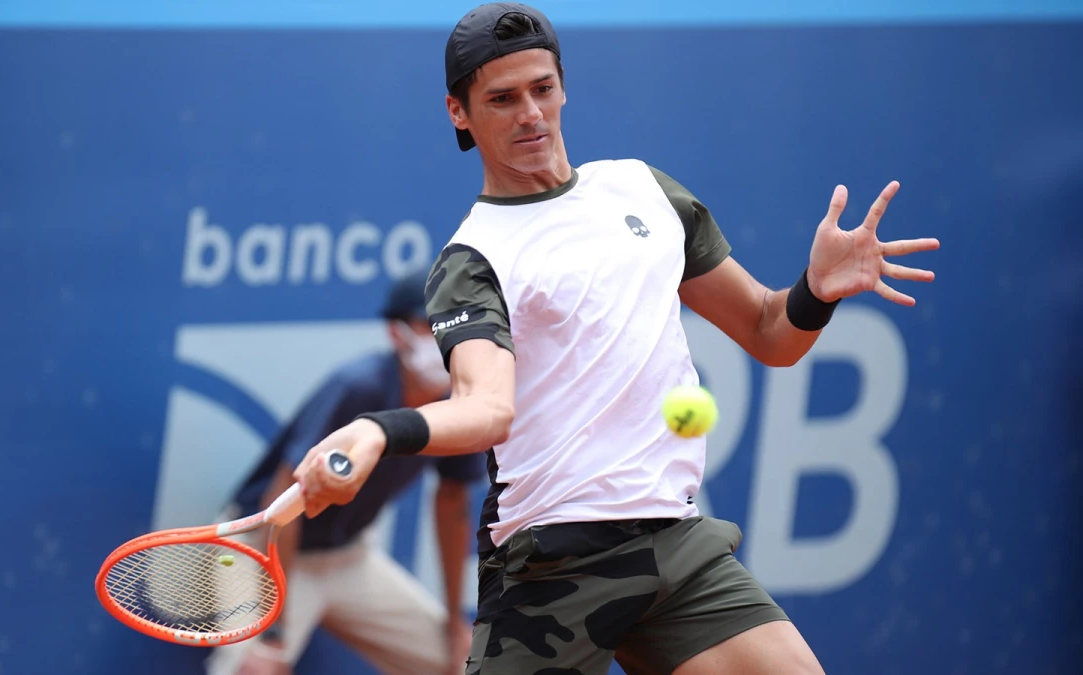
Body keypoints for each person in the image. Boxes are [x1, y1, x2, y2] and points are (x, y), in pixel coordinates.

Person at [291, 3, 940, 675]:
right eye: (503, 99)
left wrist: (817, 290)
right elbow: (486, 408)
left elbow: (768, 332)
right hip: (553, 564)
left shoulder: (644, 190)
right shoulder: (471, 260)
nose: (531, 114)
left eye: (542, 89)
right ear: (459, 112)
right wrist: (378, 429)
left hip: (674, 540)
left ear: (562, 86)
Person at [204, 272, 482, 675]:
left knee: (464, 662)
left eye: (454, 322)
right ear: (397, 333)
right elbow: (281, 506)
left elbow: (452, 503)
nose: (444, 337)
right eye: (430, 324)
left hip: (347, 558)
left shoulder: (460, 404)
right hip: (261, 547)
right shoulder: (358, 387)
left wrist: (455, 622)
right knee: (255, 671)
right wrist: (272, 632)